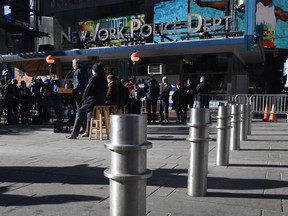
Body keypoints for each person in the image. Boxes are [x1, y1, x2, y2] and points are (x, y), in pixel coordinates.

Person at [193, 0, 288, 48]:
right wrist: (203, 3)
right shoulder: (236, 5)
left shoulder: (272, 10)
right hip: (245, 47)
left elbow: (284, 15)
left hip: (266, 48)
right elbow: (209, 4)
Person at [67, 63, 108, 139]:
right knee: (89, 113)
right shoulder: (104, 79)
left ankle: (74, 133)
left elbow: (87, 91)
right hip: (101, 102)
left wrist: (83, 100)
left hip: (93, 101)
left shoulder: (93, 78)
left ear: (94, 70)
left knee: (79, 111)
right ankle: (87, 131)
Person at [72, 58, 89, 132]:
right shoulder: (85, 71)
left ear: (76, 64)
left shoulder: (78, 71)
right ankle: (85, 128)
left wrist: (73, 90)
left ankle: (82, 127)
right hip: (85, 93)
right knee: (84, 112)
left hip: (79, 94)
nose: (72, 66)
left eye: (73, 64)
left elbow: (79, 84)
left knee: (79, 111)